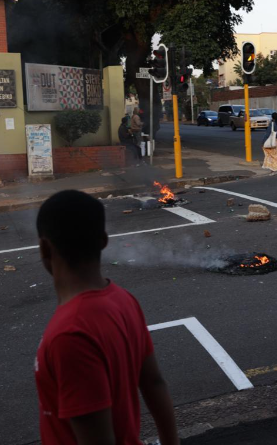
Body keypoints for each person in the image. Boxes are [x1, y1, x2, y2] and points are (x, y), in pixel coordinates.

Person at [34, 190, 179, 445]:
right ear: (103, 240)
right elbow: (154, 383)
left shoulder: (69, 335)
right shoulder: (124, 300)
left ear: (44, 247)